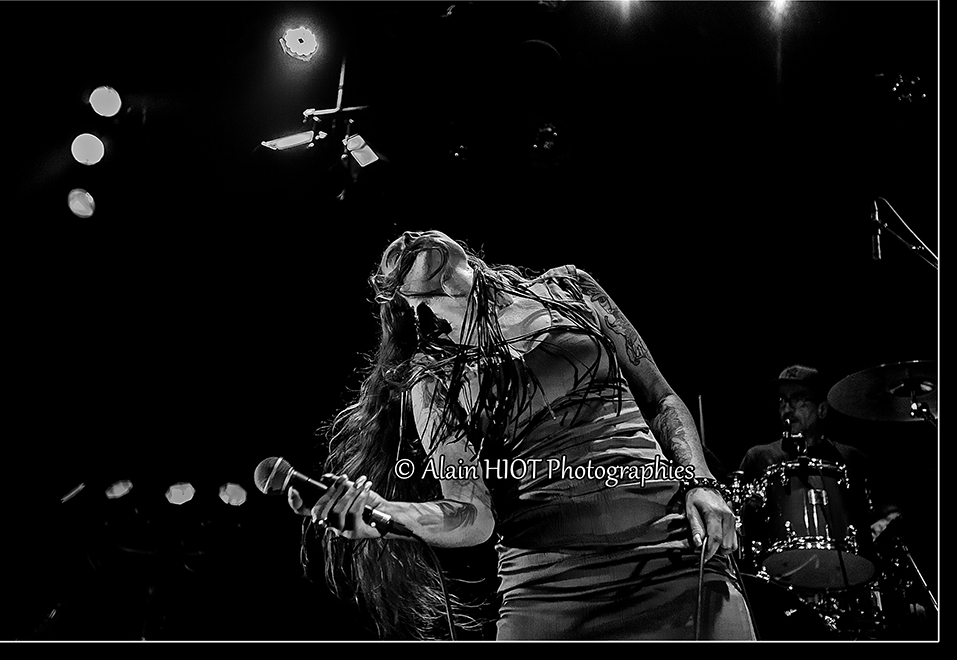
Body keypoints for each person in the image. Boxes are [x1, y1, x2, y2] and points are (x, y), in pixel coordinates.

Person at [291, 229, 755, 640]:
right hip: (549, 591)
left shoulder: (569, 288)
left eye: (417, 232)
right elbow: (472, 514)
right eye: (398, 252)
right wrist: (388, 513)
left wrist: (702, 482)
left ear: (463, 252)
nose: (410, 236)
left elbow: (661, 397)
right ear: (410, 302)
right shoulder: (436, 379)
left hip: (671, 553)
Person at [737, 365, 901, 539]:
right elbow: (737, 515)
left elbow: (888, 511)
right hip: (778, 553)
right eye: (782, 400)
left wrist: (882, 524)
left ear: (822, 409)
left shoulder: (852, 459)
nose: (787, 409)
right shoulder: (760, 458)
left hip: (845, 554)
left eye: (798, 399)